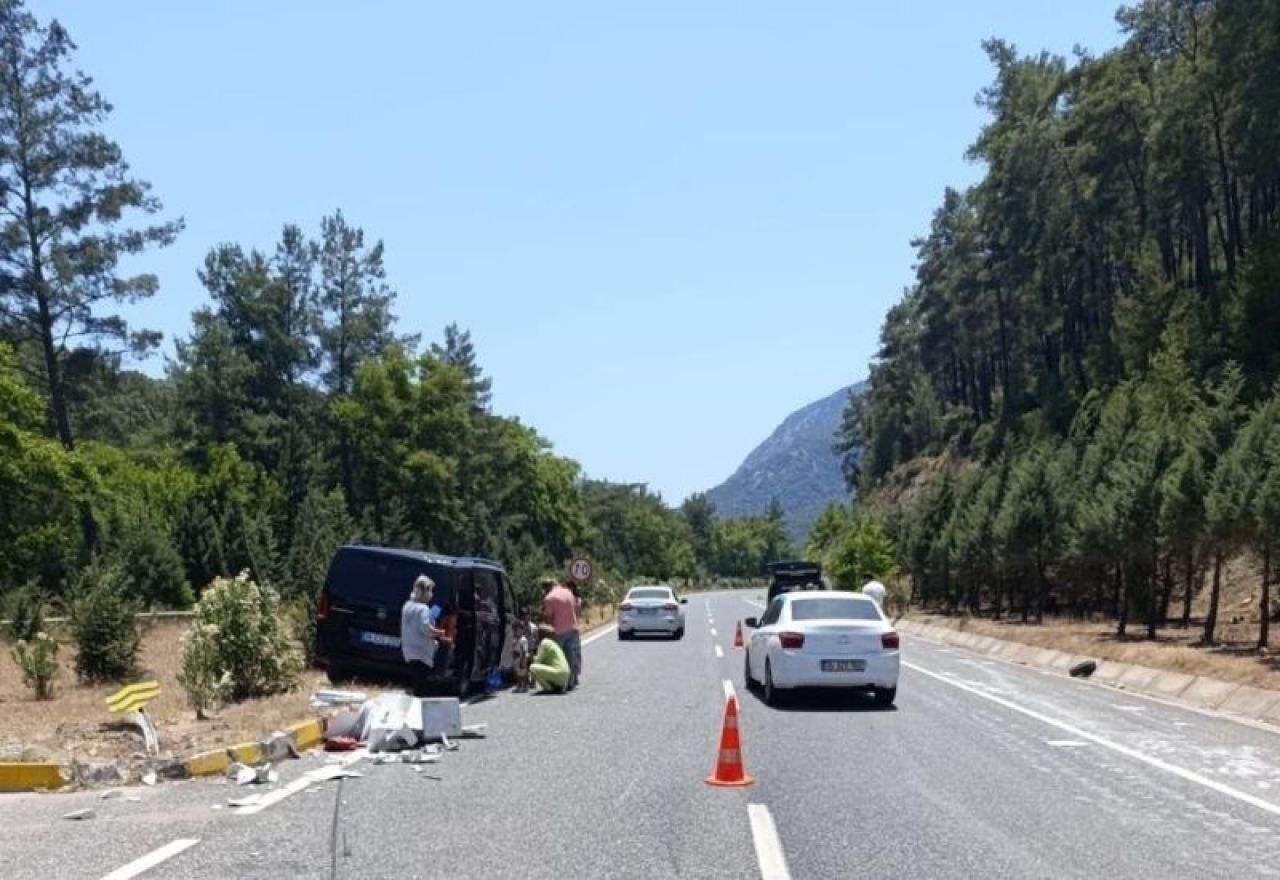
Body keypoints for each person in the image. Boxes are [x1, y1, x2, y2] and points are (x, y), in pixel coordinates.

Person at [401, 575, 444, 697]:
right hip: (421, 653)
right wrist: (439, 633)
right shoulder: (423, 608)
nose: (431, 594)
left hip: (408, 651)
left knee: (414, 684)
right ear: (424, 591)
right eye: (430, 590)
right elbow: (426, 630)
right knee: (422, 689)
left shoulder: (407, 605)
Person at [542, 577, 581, 690]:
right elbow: (575, 609)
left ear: (547, 588)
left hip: (558, 631)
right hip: (572, 629)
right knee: (571, 656)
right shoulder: (568, 593)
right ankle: (571, 681)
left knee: (559, 658)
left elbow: (549, 618)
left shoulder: (549, 598)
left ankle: (560, 682)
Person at [529, 624, 571, 693]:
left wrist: (530, 657)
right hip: (565, 674)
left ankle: (548, 689)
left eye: (535, 635)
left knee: (532, 668)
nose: (534, 637)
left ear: (540, 634)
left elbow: (537, 661)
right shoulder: (550, 642)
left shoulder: (544, 643)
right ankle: (557, 686)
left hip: (559, 673)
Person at [512, 616, 532, 692]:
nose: (515, 632)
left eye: (517, 630)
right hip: (516, 657)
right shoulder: (515, 639)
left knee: (523, 672)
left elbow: (524, 650)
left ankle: (526, 685)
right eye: (514, 630)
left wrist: (523, 660)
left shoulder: (523, 639)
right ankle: (519, 685)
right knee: (517, 672)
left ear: (521, 630)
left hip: (522, 657)